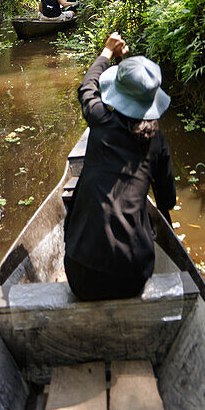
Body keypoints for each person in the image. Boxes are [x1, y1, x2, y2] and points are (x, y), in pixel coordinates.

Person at [64, 32, 176, 301]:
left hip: (80, 276)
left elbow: (88, 86)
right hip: (132, 278)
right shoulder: (157, 142)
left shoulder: (99, 119)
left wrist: (107, 52)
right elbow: (167, 200)